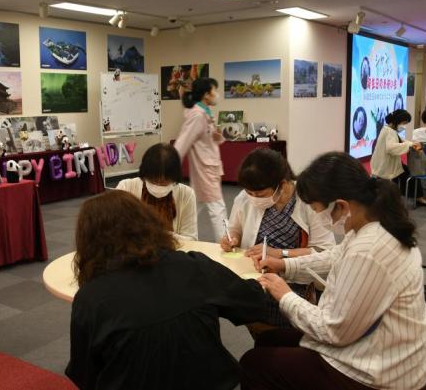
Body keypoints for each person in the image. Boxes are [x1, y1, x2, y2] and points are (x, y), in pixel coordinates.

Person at [240, 152, 426, 390]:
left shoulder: (368, 248)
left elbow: (331, 330)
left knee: (253, 363)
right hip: (374, 345)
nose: (316, 215)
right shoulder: (374, 223)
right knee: (268, 340)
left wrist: (285, 295)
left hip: (378, 372)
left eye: (317, 209)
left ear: (340, 205)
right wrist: (285, 264)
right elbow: (335, 255)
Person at [66, 190, 266, 390]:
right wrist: (263, 282)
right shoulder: (192, 266)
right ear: (147, 223)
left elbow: (83, 375)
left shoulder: (89, 299)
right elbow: (252, 303)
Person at [221, 148, 334, 327]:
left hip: (296, 283)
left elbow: (324, 252)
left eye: (260, 194)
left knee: (290, 335)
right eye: (249, 193)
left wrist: (279, 253)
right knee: (259, 331)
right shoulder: (246, 197)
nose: (253, 198)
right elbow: (234, 229)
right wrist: (231, 238)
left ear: (282, 184)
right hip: (255, 279)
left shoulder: (307, 200)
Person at [174, 77, 227, 243]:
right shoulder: (198, 115)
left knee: (193, 207)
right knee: (217, 208)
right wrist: (169, 165)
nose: (217, 94)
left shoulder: (206, 112)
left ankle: (178, 239)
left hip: (209, 166)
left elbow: (207, 139)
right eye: (214, 90)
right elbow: (183, 143)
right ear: (206, 94)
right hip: (205, 169)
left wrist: (217, 135)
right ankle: (227, 244)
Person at [116, 143, 197, 240]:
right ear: (145, 174)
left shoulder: (186, 194)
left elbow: (191, 238)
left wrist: (162, 236)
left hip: (172, 251)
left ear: (174, 177)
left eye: (164, 182)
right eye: (153, 180)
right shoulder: (126, 188)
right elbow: (114, 229)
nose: (158, 185)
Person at [370, 109, 426, 204]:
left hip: (387, 163)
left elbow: (401, 140)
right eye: (404, 123)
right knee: (408, 174)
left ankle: (416, 196)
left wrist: (411, 144)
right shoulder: (390, 132)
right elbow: (391, 148)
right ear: (397, 121)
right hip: (385, 164)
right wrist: (410, 145)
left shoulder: (388, 130)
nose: (404, 126)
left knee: (407, 173)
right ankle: (416, 197)